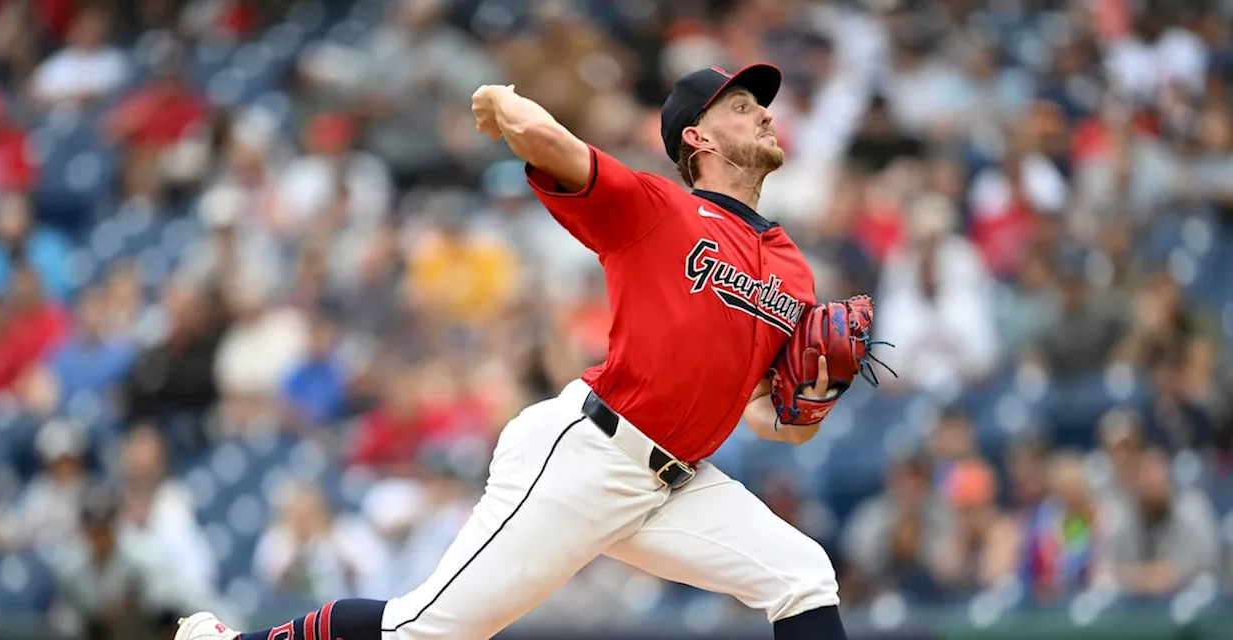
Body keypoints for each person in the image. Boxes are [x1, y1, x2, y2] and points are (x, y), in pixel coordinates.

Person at [176, 63, 847, 640]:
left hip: (677, 485)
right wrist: (503, 99)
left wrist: (806, 408)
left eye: (760, 105)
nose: (763, 113)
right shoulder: (656, 210)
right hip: (590, 455)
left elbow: (766, 414)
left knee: (803, 576)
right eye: (741, 105)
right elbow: (553, 144)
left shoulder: (792, 269)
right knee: (426, 631)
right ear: (697, 138)